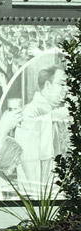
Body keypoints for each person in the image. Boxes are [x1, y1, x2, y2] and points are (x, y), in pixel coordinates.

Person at [14, 65, 70, 193]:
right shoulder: (32, 109)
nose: (66, 89)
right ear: (48, 85)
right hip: (39, 183)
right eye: (61, 84)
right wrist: (52, 117)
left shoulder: (52, 109)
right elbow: (26, 136)